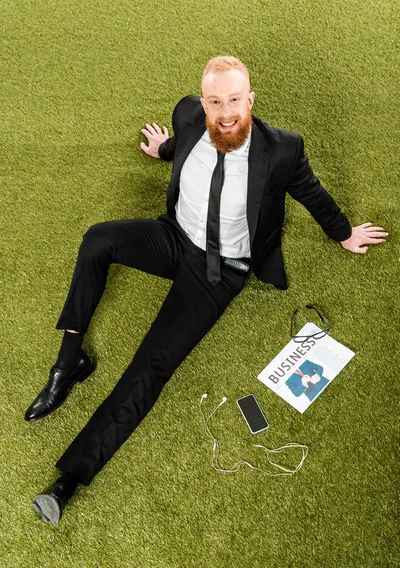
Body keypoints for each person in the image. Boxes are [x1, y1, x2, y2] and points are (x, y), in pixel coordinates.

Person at [25, 56, 388, 525]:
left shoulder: (281, 151)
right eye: (216, 102)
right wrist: (163, 151)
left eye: (235, 100)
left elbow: (312, 192)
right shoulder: (191, 117)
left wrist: (343, 233)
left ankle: (68, 481)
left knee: (152, 364)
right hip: (174, 237)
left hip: (220, 269)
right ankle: (68, 362)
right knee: (98, 240)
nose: (226, 112)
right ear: (203, 103)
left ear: (250, 101)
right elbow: (186, 143)